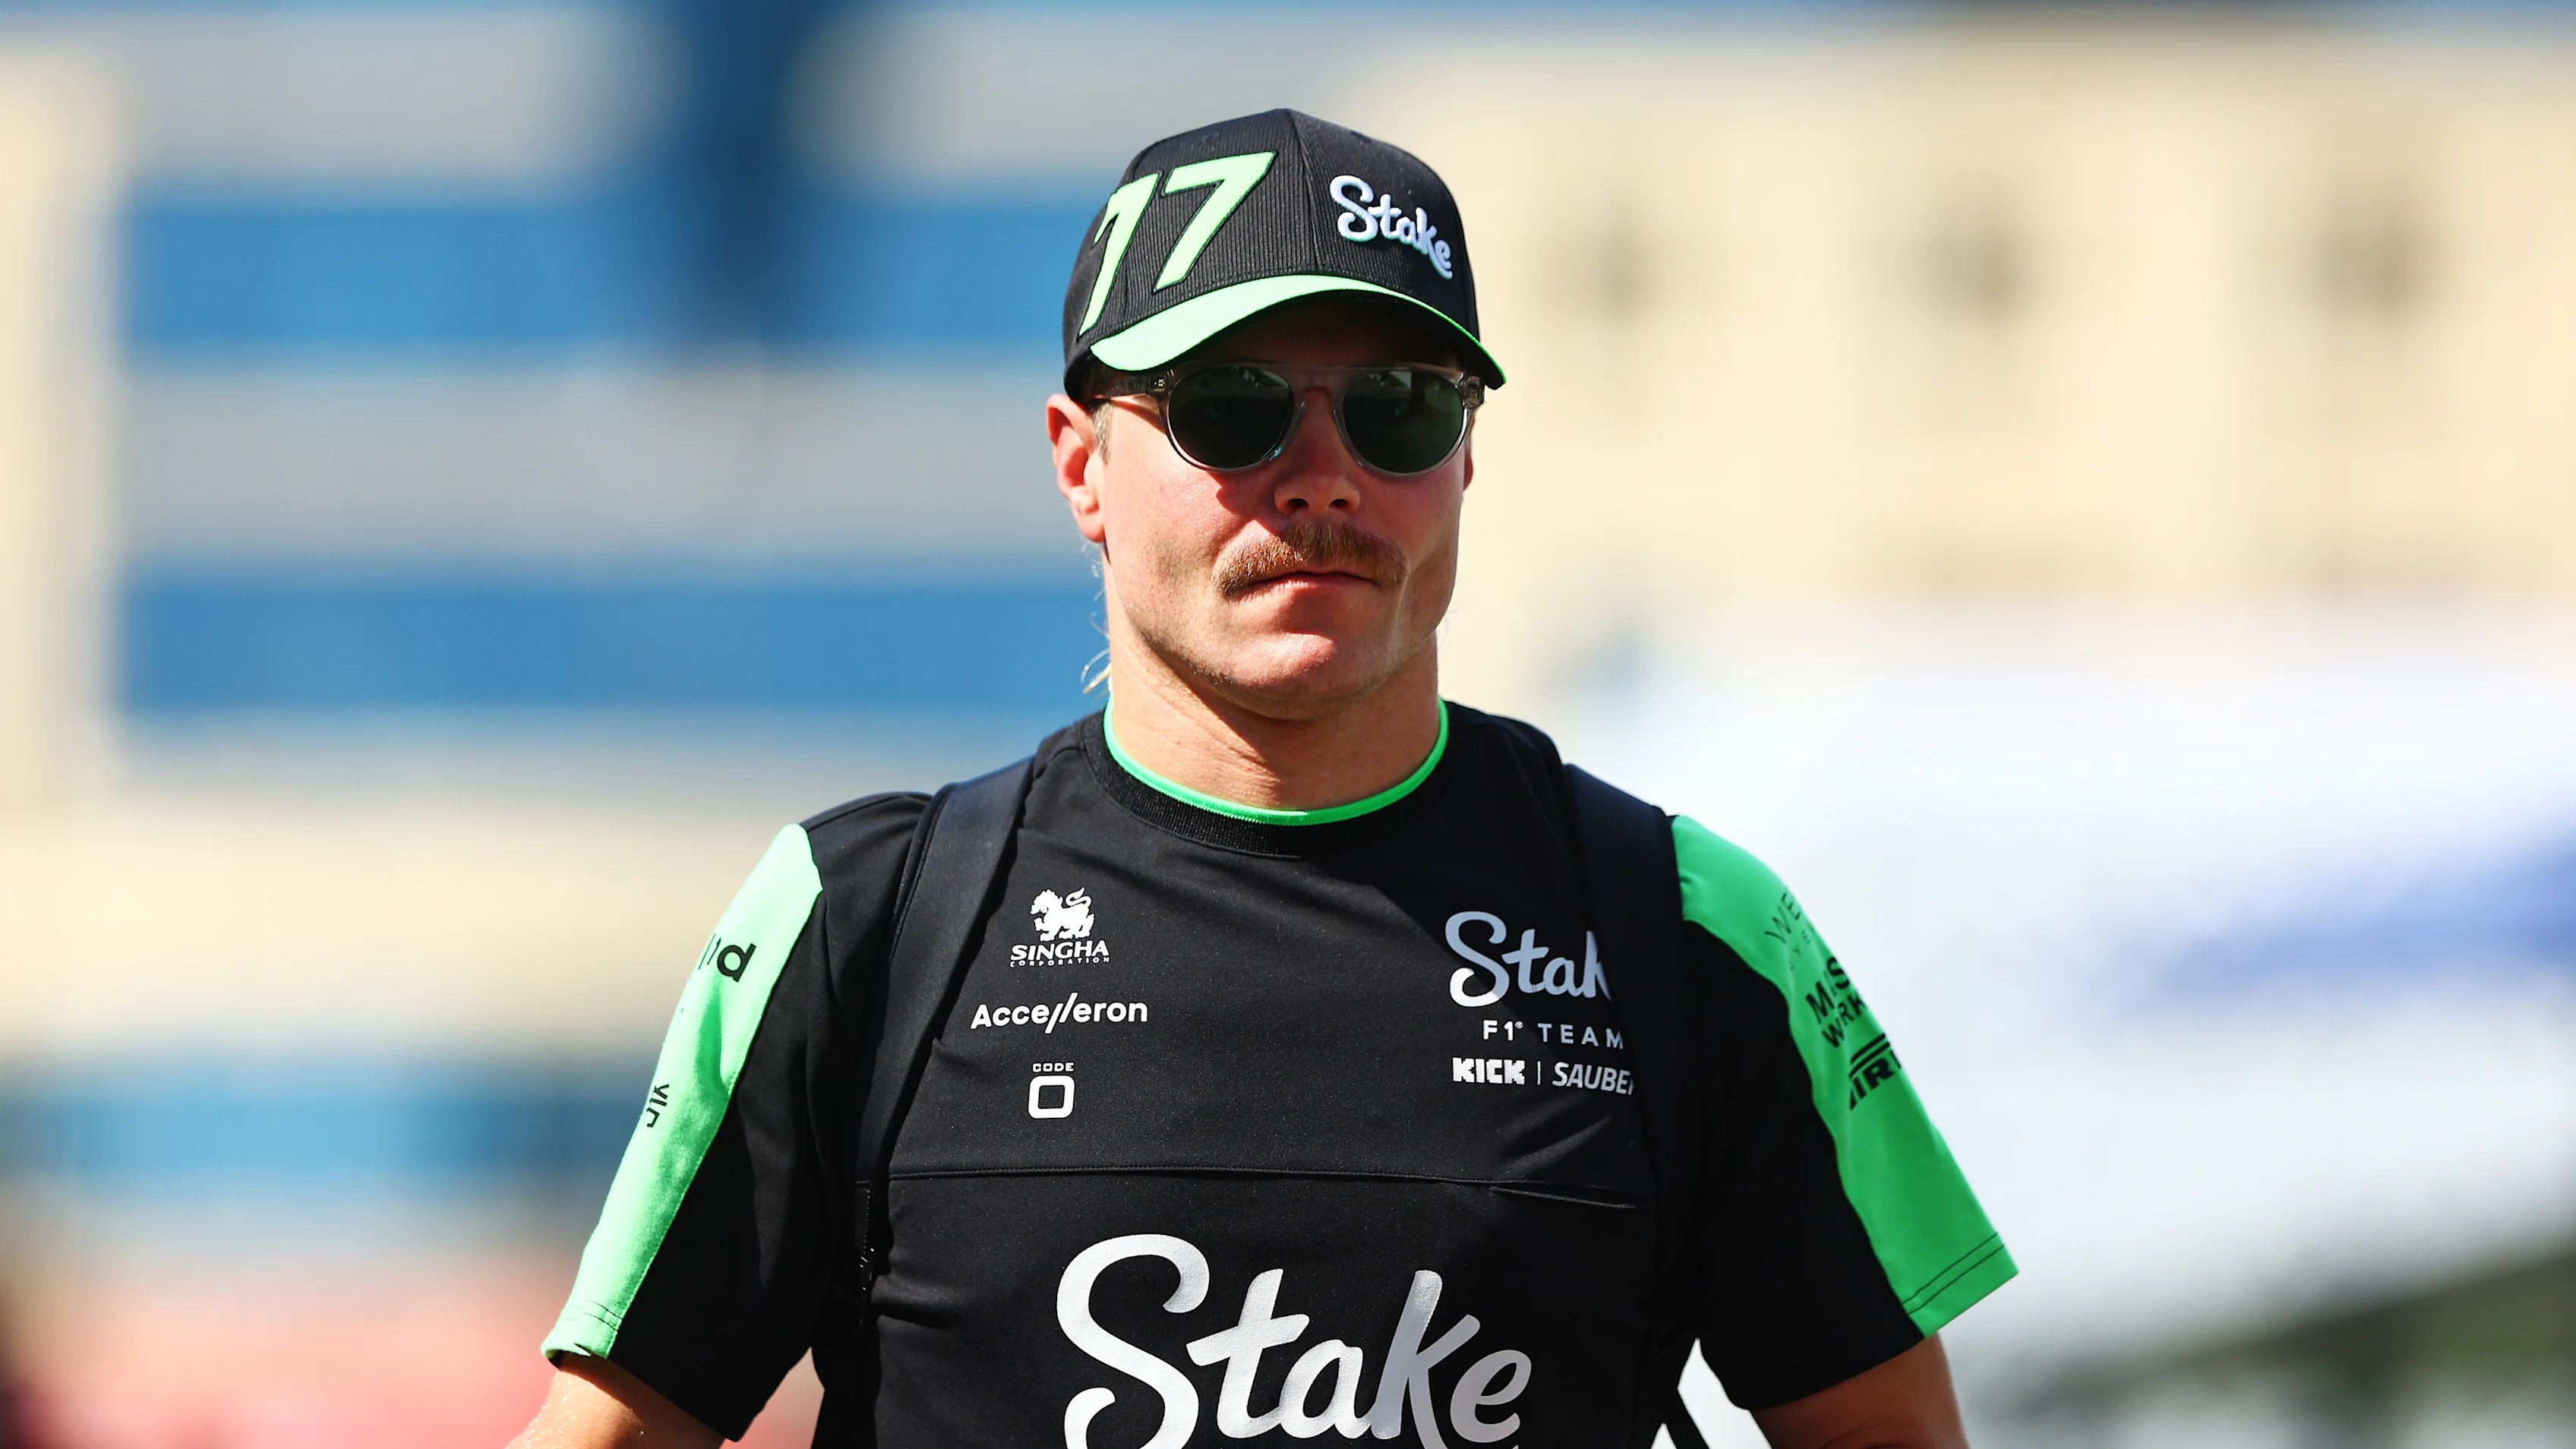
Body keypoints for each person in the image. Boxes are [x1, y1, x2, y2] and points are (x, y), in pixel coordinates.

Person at [511, 109, 2013, 1449]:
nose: (1322, 474)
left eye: (1399, 408)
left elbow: (1881, 1429)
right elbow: (614, 1429)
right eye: (1233, 407)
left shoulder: (1693, 931)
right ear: (1079, 462)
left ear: (1467, 463)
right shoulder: (865, 923)